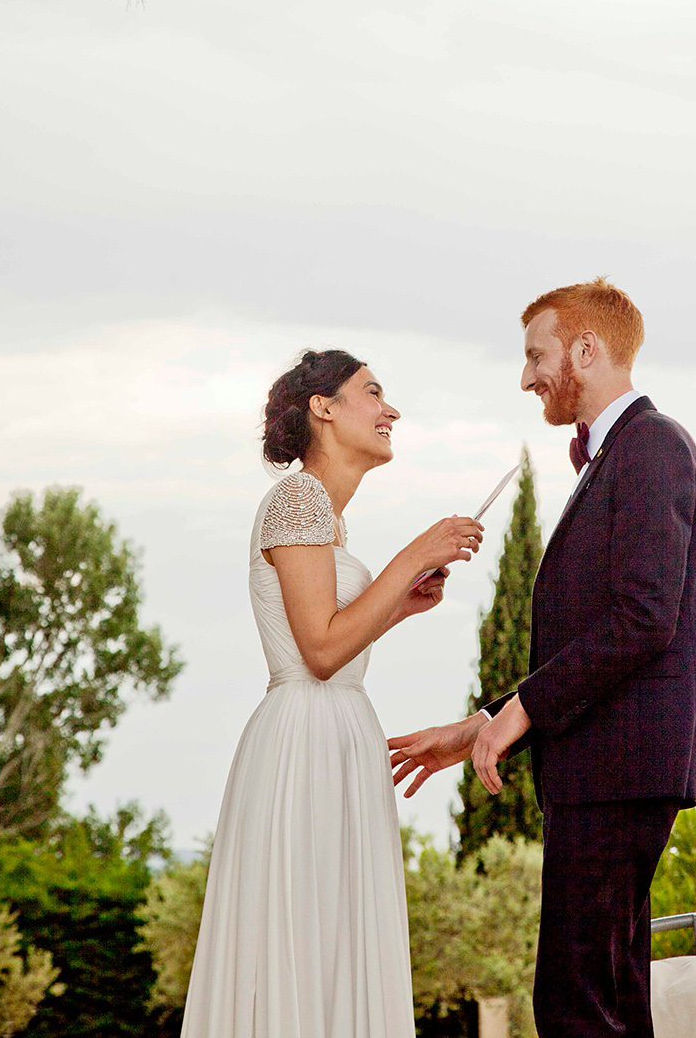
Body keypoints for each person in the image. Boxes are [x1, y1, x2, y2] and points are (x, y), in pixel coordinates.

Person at [389, 281, 696, 1038]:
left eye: (537, 354)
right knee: (608, 1001)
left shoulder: (653, 447)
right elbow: (594, 642)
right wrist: (480, 725)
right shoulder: (621, 457)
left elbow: (641, 619)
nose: (528, 376)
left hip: (616, 772)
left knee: (575, 1005)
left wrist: (519, 714)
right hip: (607, 770)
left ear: (587, 350)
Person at [181, 348, 484, 1038]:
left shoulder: (325, 517)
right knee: (308, 927)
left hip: (337, 734)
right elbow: (319, 651)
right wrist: (414, 554)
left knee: (334, 932)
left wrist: (400, 604)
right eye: (373, 392)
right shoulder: (298, 498)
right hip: (305, 740)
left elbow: (335, 636)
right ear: (324, 407)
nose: (391, 410)